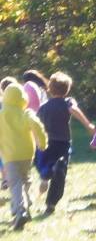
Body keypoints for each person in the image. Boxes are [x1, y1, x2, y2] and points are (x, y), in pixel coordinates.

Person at [36, 72, 95, 214]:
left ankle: (46, 176)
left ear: (50, 89)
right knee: (60, 171)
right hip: (63, 142)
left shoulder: (43, 107)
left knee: (48, 165)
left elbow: (37, 124)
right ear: (67, 89)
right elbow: (74, 109)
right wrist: (88, 125)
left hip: (47, 142)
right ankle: (51, 203)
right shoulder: (68, 102)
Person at [0, 83, 48, 230]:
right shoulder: (27, 113)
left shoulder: (1, 115)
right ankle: (26, 205)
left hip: (10, 155)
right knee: (25, 180)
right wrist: (42, 142)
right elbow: (38, 126)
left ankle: (21, 210)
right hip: (27, 154)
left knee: (15, 183)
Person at [0, 77, 20, 190]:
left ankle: (5, 178)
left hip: (2, 134)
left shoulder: (1, 102)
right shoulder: (19, 103)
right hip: (14, 134)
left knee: (2, 156)